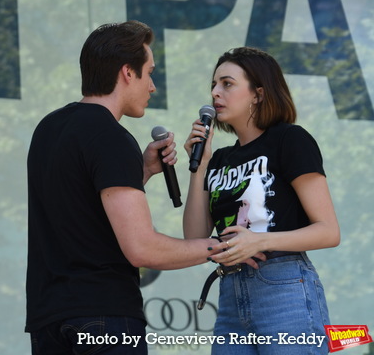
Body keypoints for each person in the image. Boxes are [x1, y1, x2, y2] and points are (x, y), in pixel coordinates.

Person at [25, 21, 243, 354]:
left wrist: (141, 171)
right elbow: (142, 249)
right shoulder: (111, 136)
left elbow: (80, 209)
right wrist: (223, 248)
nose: (153, 86)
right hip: (104, 316)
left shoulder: (48, 128)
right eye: (149, 72)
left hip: (48, 319)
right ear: (128, 72)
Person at [182, 47, 340, 354]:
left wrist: (259, 241)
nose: (215, 93)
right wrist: (199, 167)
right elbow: (195, 237)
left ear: (258, 93)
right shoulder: (220, 159)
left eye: (227, 84)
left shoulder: (289, 139)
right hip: (230, 291)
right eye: (214, 85)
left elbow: (328, 231)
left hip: (283, 287)